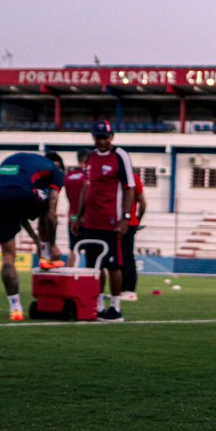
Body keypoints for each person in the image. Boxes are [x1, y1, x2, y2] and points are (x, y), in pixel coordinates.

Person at [0, 151, 65, 321]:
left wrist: (36, 241)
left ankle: (15, 308)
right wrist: (52, 245)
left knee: (8, 256)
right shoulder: (56, 172)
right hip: (20, 189)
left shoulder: (28, 163)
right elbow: (51, 214)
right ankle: (46, 255)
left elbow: (21, 216)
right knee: (47, 209)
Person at [72, 120, 135, 322]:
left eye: (105, 137)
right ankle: (97, 306)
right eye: (98, 137)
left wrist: (125, 218)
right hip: (90, 221)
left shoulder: (120, 156)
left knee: (113, 265)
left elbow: (129, 188)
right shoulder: (90, 157)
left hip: (111, 221)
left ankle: (115, 308)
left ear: (112, 137)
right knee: (94, 267)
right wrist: (78, 216)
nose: (102, 141)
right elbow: (85, 188)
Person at [120, 171, 147, 301]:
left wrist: (136, 222)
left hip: (123, 223)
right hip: (129, 223)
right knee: (125, 256)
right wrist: (137, 221)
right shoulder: (132, 177)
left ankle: (128, 290)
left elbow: (143, 203)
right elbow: (143, 203)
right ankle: (125, 290)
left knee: (125, 257)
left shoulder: (131, 177)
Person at [63, 148, 90, 267]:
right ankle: (93, 283)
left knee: (73, 252)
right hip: (87, 220)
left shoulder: (68, 176)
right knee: (92, 254)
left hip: (72, 218)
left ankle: (69, 283)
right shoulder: (88, 176)